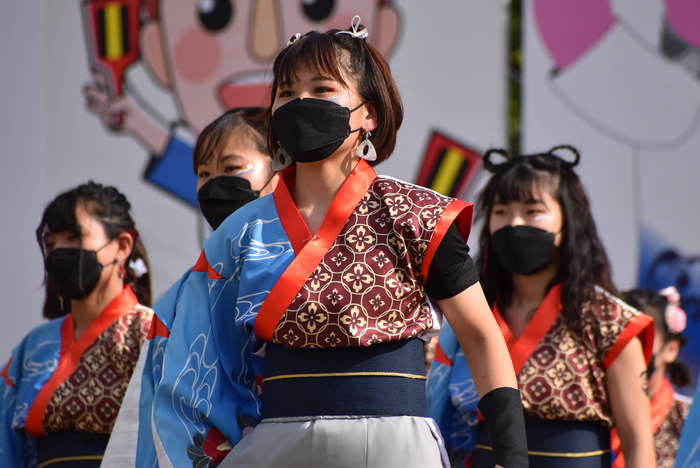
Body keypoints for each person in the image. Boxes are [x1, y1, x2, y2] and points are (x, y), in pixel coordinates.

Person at [151, 17, 528, 468]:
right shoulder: (239, 233)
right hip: (272, 447)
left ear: (369, 112)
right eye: (286, 93)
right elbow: (198, 360)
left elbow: (481, 336)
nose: (300, 102)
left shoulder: (418, 215)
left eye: (322, 89)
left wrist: (511, 456)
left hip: (394, 445)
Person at [427, 146, 656, 468]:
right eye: (502, 211)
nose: (514, 223)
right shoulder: (464, 314)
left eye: (533, 211)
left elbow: (637, 444)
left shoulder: (610, 321)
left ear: (569, 220)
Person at [98, 107, 279, 468]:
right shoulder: (176, 301)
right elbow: (153, 406)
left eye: (231, 168)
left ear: (279, 169)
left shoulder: (307, 267)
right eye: (203, 173)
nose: (214, 184)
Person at [0, 181, 153, 468]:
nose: (58, 251)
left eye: (72, 237)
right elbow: (7, 448)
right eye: (50, 244)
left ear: (121, 246)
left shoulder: (151, 333)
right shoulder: (33, 348)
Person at [611, 287, 692, 468]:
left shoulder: (689, 422)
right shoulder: (588, 409)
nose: (627, 351)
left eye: (642, 340)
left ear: (670, 349)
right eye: (619, 340)